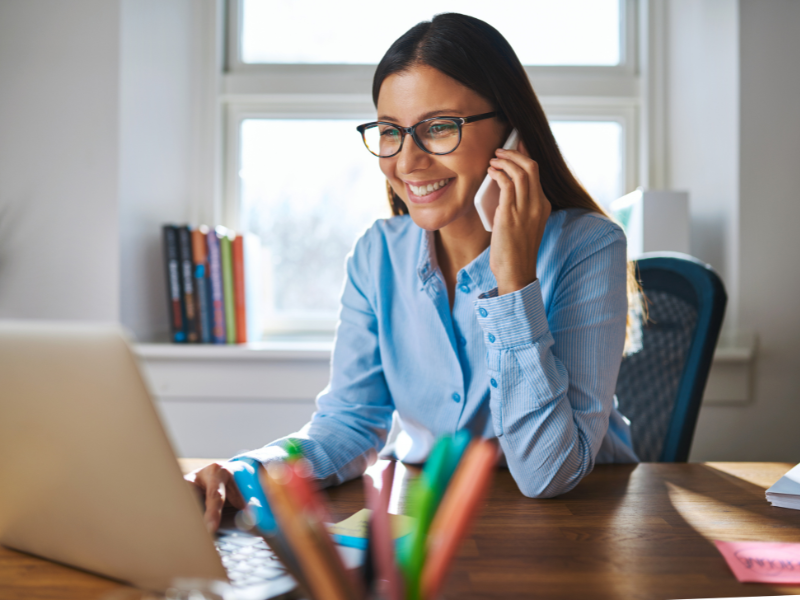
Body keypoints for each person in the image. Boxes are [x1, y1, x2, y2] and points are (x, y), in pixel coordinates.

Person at [187, 12, 638, 533]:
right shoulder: (378, 254)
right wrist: (248, 471)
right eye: (390, 132)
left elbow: (547, 474)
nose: (407, 161)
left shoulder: (587, 247)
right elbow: (351, 423)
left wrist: (513, 279)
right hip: (430, 521)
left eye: (439, 128)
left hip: (581, 524)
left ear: (512, 133)